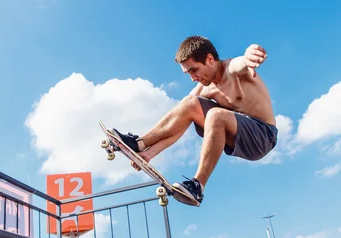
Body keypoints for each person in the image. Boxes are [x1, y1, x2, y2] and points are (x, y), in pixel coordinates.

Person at [112, 36, 277, 205]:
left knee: (215, 114)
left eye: (194, 70)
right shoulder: (206, 88)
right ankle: (139, 142)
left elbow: (241, 62)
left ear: (210, 59)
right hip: (237, 133)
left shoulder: (231, 69)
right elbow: (179, 124)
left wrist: (250, 53)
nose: (193, 78)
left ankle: (198, 186)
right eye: (188, 73)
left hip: (263, 136)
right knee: (189, 103)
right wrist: (148, 153)